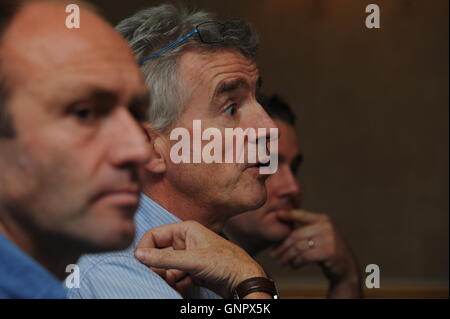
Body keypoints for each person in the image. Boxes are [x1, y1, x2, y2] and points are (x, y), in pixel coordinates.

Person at [0, 0, 272, 300]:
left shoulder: (212, 256)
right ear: (151, 147)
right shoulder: (112, 266)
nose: (267, 127)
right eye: (231, 108)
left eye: (256, 99)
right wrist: (252, 283)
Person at [224, 95, 363, 298]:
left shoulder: (251, 279)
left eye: (294, 168)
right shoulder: (186, 278)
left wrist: (346, 278)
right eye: (266, 164)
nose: (293, 187)